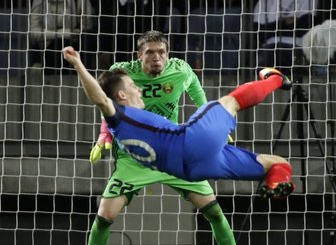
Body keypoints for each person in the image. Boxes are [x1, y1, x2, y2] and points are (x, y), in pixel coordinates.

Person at [64, 44, 295, 245]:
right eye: (133, 86)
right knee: (231, 101)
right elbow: (100, 98)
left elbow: (104, 101)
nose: (140, 88)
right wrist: (78, 64)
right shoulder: (120, 115)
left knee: (277, 164)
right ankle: (274, 78)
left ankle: (277, 182)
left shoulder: (122, 124)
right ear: (122, 95)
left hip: (190, 170)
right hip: (191, 142)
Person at [86, 31, 237, 245]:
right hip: (134, 155)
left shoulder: (181, 70)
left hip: (172, 152)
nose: (156, 57)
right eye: (149, 52)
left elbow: (198, 95)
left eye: (161, 52)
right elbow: (105, 101)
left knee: (213, 211)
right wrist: (104, 132)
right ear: (139, 55)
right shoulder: (121, 73)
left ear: (167, 54)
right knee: (104, 217)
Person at [29, 0, 93, 72]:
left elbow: (87, 25)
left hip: (73, 45)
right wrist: (62, 34)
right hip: (45, 47)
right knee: (57, 46)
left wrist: (74, 34)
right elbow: (34, 32)